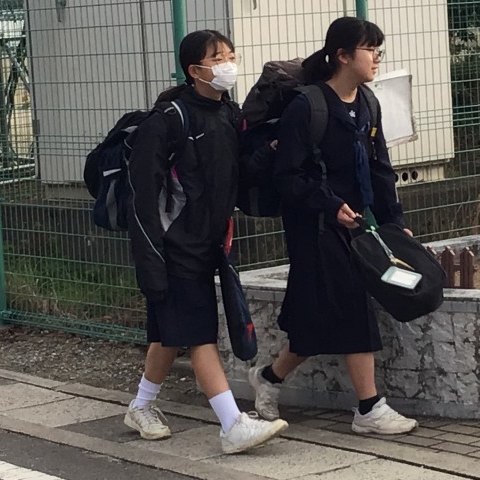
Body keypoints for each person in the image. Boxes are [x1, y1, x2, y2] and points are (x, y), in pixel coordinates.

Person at [248, 17, 418, 435]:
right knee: (353, 304)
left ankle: (268, 377)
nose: (377, 57)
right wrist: (328, 203)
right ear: (342, 55)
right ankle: (369, 409)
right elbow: (288, 176)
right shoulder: (307, 106)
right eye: (369, 49)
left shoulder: (368, 103)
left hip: (355, 224)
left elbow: (381, 169)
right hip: (314, 227)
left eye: (379, 49)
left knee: (318, 319)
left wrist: (394, 224)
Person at [123, 29, 288, 454]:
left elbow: (238, 174)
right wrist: (150, 262)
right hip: (173, 248)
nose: (228, 64)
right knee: (199, 334)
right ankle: (232, 425)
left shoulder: (228, 114)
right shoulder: (167, 121)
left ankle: (140, 406)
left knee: (172, 329)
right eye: (217, 58)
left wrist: (271, 148)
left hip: (211, 243)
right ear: (195, 70)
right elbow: (142, 200)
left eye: (231, 54)